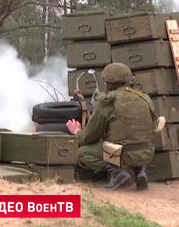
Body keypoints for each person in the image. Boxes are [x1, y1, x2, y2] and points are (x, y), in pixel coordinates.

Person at [66, 62, 159, 190]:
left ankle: (118, 173)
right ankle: (140, 171)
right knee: (133, 140)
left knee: (82, 153)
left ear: (107, 83)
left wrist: (77, 131)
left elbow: (89, 137)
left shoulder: (107, 101)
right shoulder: (144, 97)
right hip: (147, 152)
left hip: (124, 154)